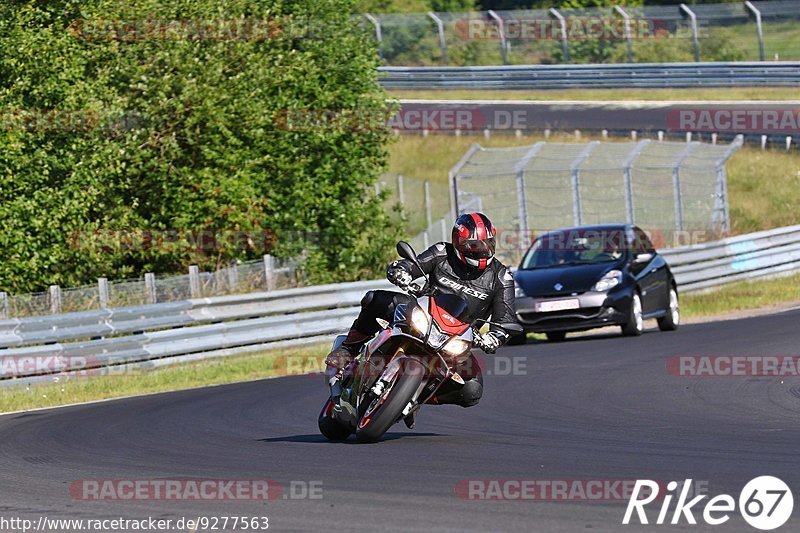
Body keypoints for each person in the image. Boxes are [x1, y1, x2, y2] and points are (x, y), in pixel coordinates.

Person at [324, 212, 518, 428]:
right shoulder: (442, 252)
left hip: (456, 338)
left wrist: (494, 337)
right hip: (421, 315)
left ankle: (412, 397)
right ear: (458, 242)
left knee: (472, 391)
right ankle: (348, 350)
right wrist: (401, 271)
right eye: (474, 246)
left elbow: (506, 319)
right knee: (374, 299)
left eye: (487, 244)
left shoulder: (502, 277)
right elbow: (411, 266)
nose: (482, 250)